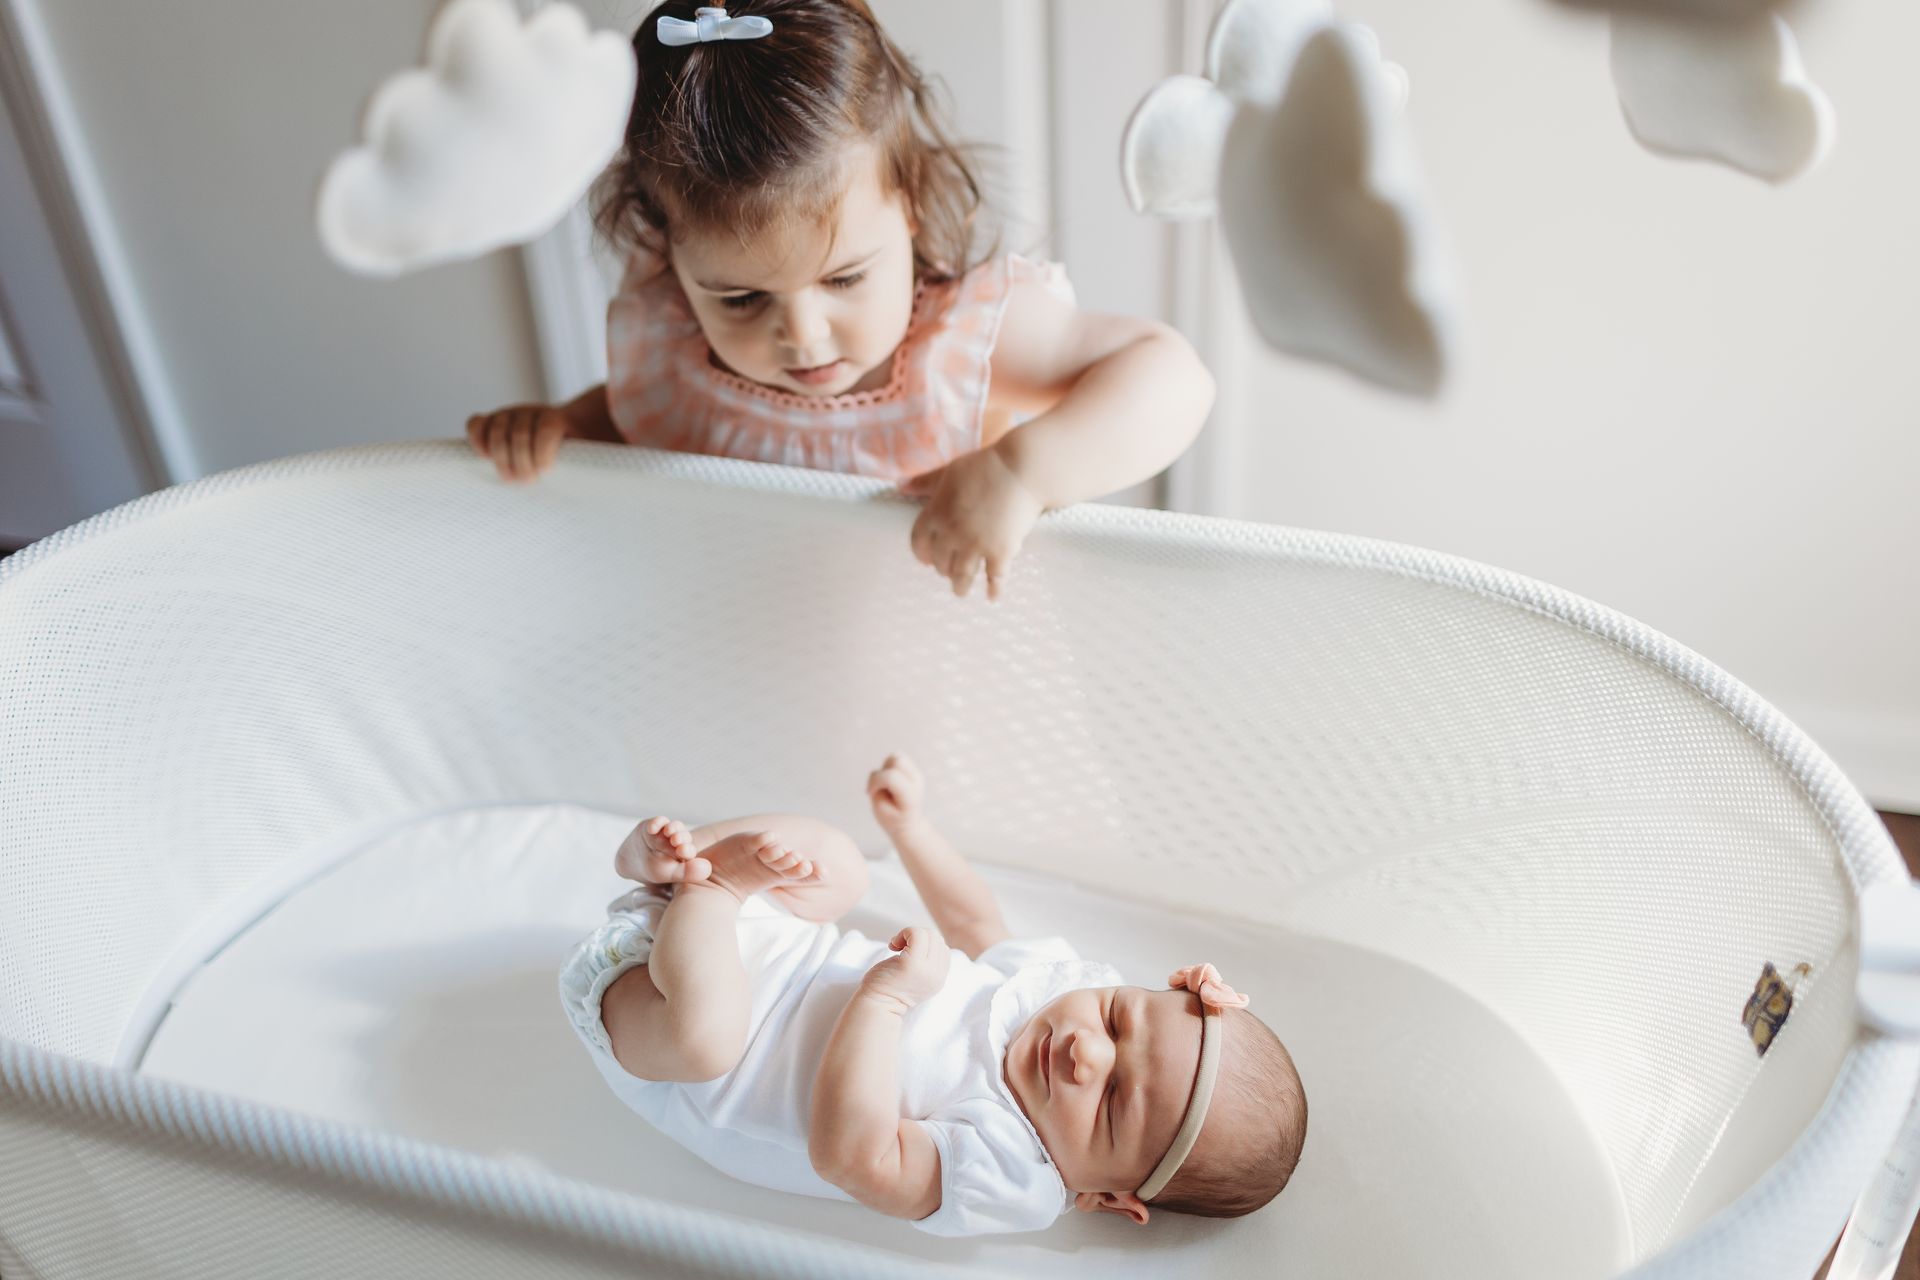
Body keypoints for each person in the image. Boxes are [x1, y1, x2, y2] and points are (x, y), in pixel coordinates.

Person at [469, 1, 1214, 599]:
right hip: (738, 674)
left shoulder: (961, 341)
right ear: (668, 256)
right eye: (739, 299)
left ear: (912, 207)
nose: (803, 334)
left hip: (943, 690)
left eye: (845, 279)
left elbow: (1172, 376)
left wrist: (1023, 471)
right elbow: (638, 420)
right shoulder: (671, 348)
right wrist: (564, 426)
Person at [558, 753, 1308, 1236]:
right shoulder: (1058, 986)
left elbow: (853, 1156)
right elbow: (974, 920)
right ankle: (662, 867)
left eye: (1111, 1103)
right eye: (1116, 1019)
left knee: (709, 1038)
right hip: (744, 934)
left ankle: (708, 885)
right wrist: (911, 828)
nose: (1087, 1051)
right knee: (838, 864)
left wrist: (885, 1001)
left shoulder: (1013, 1172)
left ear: (1107, 1198)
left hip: (659, 1036)